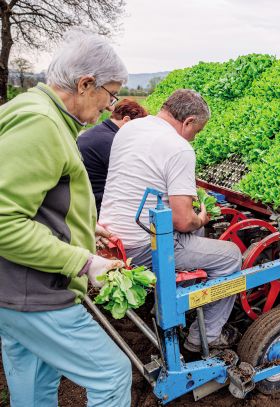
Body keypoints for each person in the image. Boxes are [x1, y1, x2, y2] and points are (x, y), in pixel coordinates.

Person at [0, 32, 133, 406]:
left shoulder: (31, 109)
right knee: (111, 375)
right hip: (34, 290)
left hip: (11, 292)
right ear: (85, 84)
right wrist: (84, 260)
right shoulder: (40, 123)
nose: (110, 106)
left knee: (35, 382)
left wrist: (82, 226)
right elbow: (4, 222)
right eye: (110, 93)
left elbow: (31, 199)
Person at [100, 89, 241, 353]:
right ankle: (205, 337)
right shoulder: (179, 148)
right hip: (142, 248)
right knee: (230, 256)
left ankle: (170, 303)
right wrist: (201, 218)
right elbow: (183, 221)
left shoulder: (129, 129)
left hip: (110, 237)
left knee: (195, 240)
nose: (193, 137)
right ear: (188, 121)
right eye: (195, 131)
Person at [78, 99, 148, 215]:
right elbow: (133, 180)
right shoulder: (114, 141)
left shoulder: (96, 132)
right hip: (99, 209)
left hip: (84, 202)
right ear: (126, 120)